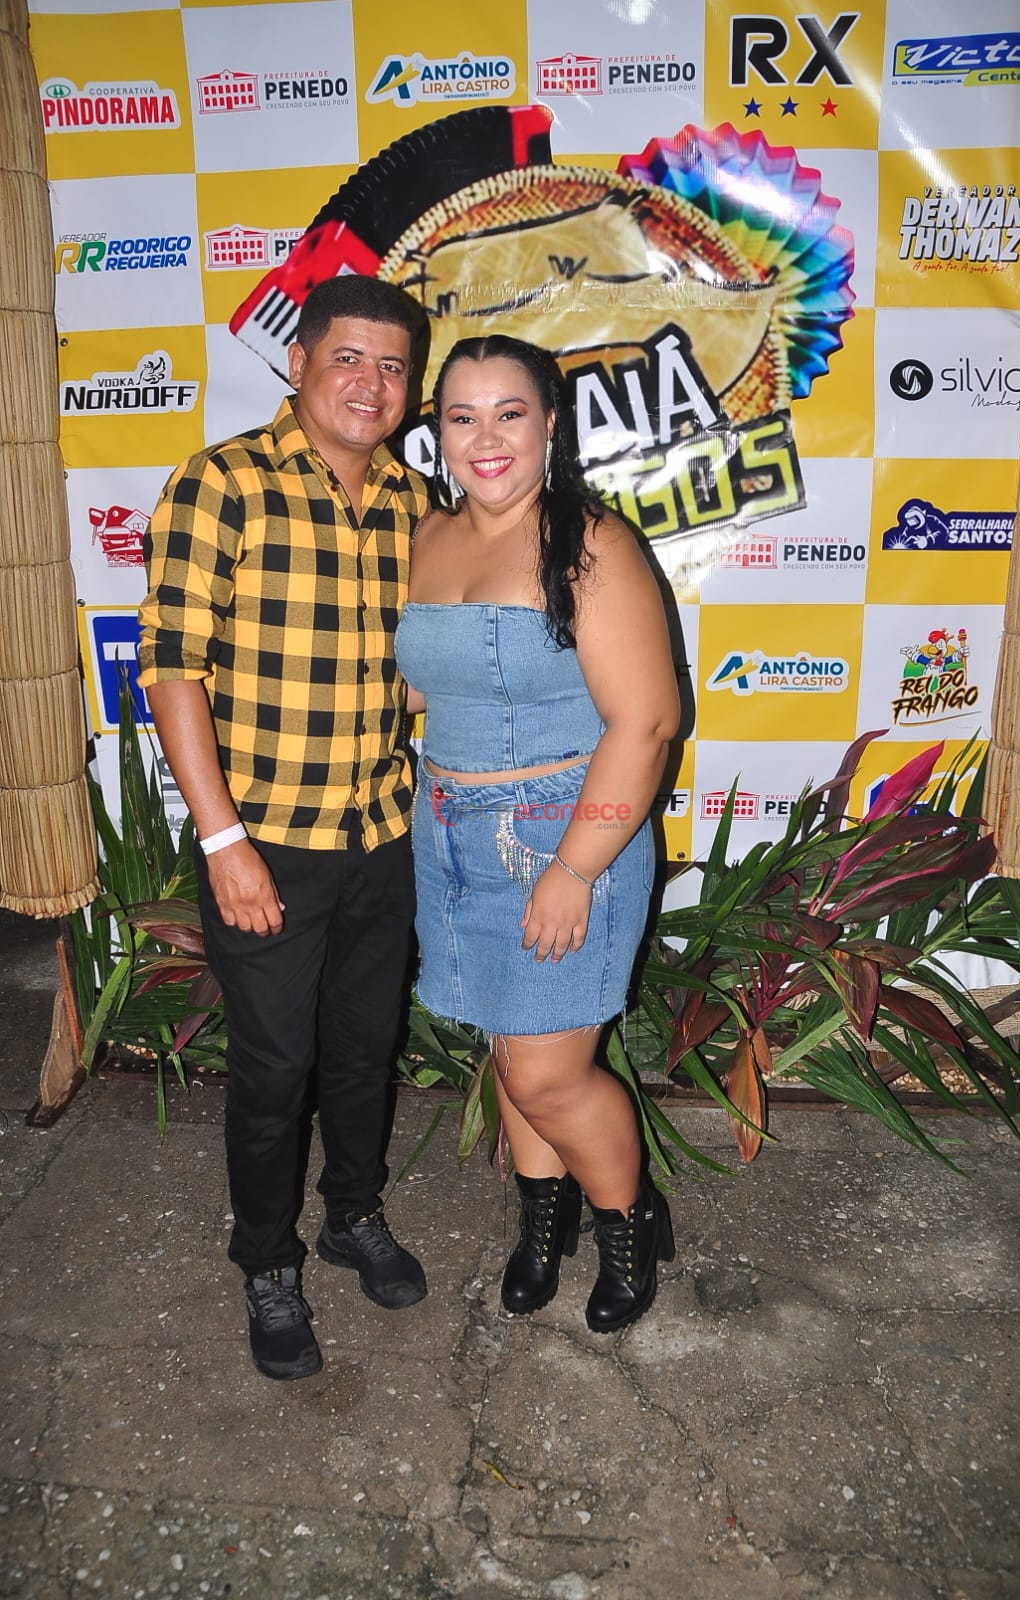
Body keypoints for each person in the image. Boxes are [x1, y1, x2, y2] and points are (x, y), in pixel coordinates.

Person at [138, 276, 430, 1381]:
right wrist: (224, 844)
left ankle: (352, 1213)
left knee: (363, 1051)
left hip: (383, 835)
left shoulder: (415, 502)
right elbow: (172, 666)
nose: (371, 383)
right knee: (272, 1071)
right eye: (348, 357)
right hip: (265, 844)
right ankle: (267, 1261)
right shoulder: (223, 483)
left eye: (393, 366)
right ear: (298, 362)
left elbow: (418, 671)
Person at [394, 334, 681, 1333]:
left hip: (561, 837)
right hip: (448, 833)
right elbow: (425, 683)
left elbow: (646, 723)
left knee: (549, 1072)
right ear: (437, 433)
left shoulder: (590, 544)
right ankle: (541, 1224)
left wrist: (575, 867)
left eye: (509, 413)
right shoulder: (428, 536)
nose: (487, 437)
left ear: (550, 425)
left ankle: (630, 1226)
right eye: (462, 416)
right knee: (511, 1049)